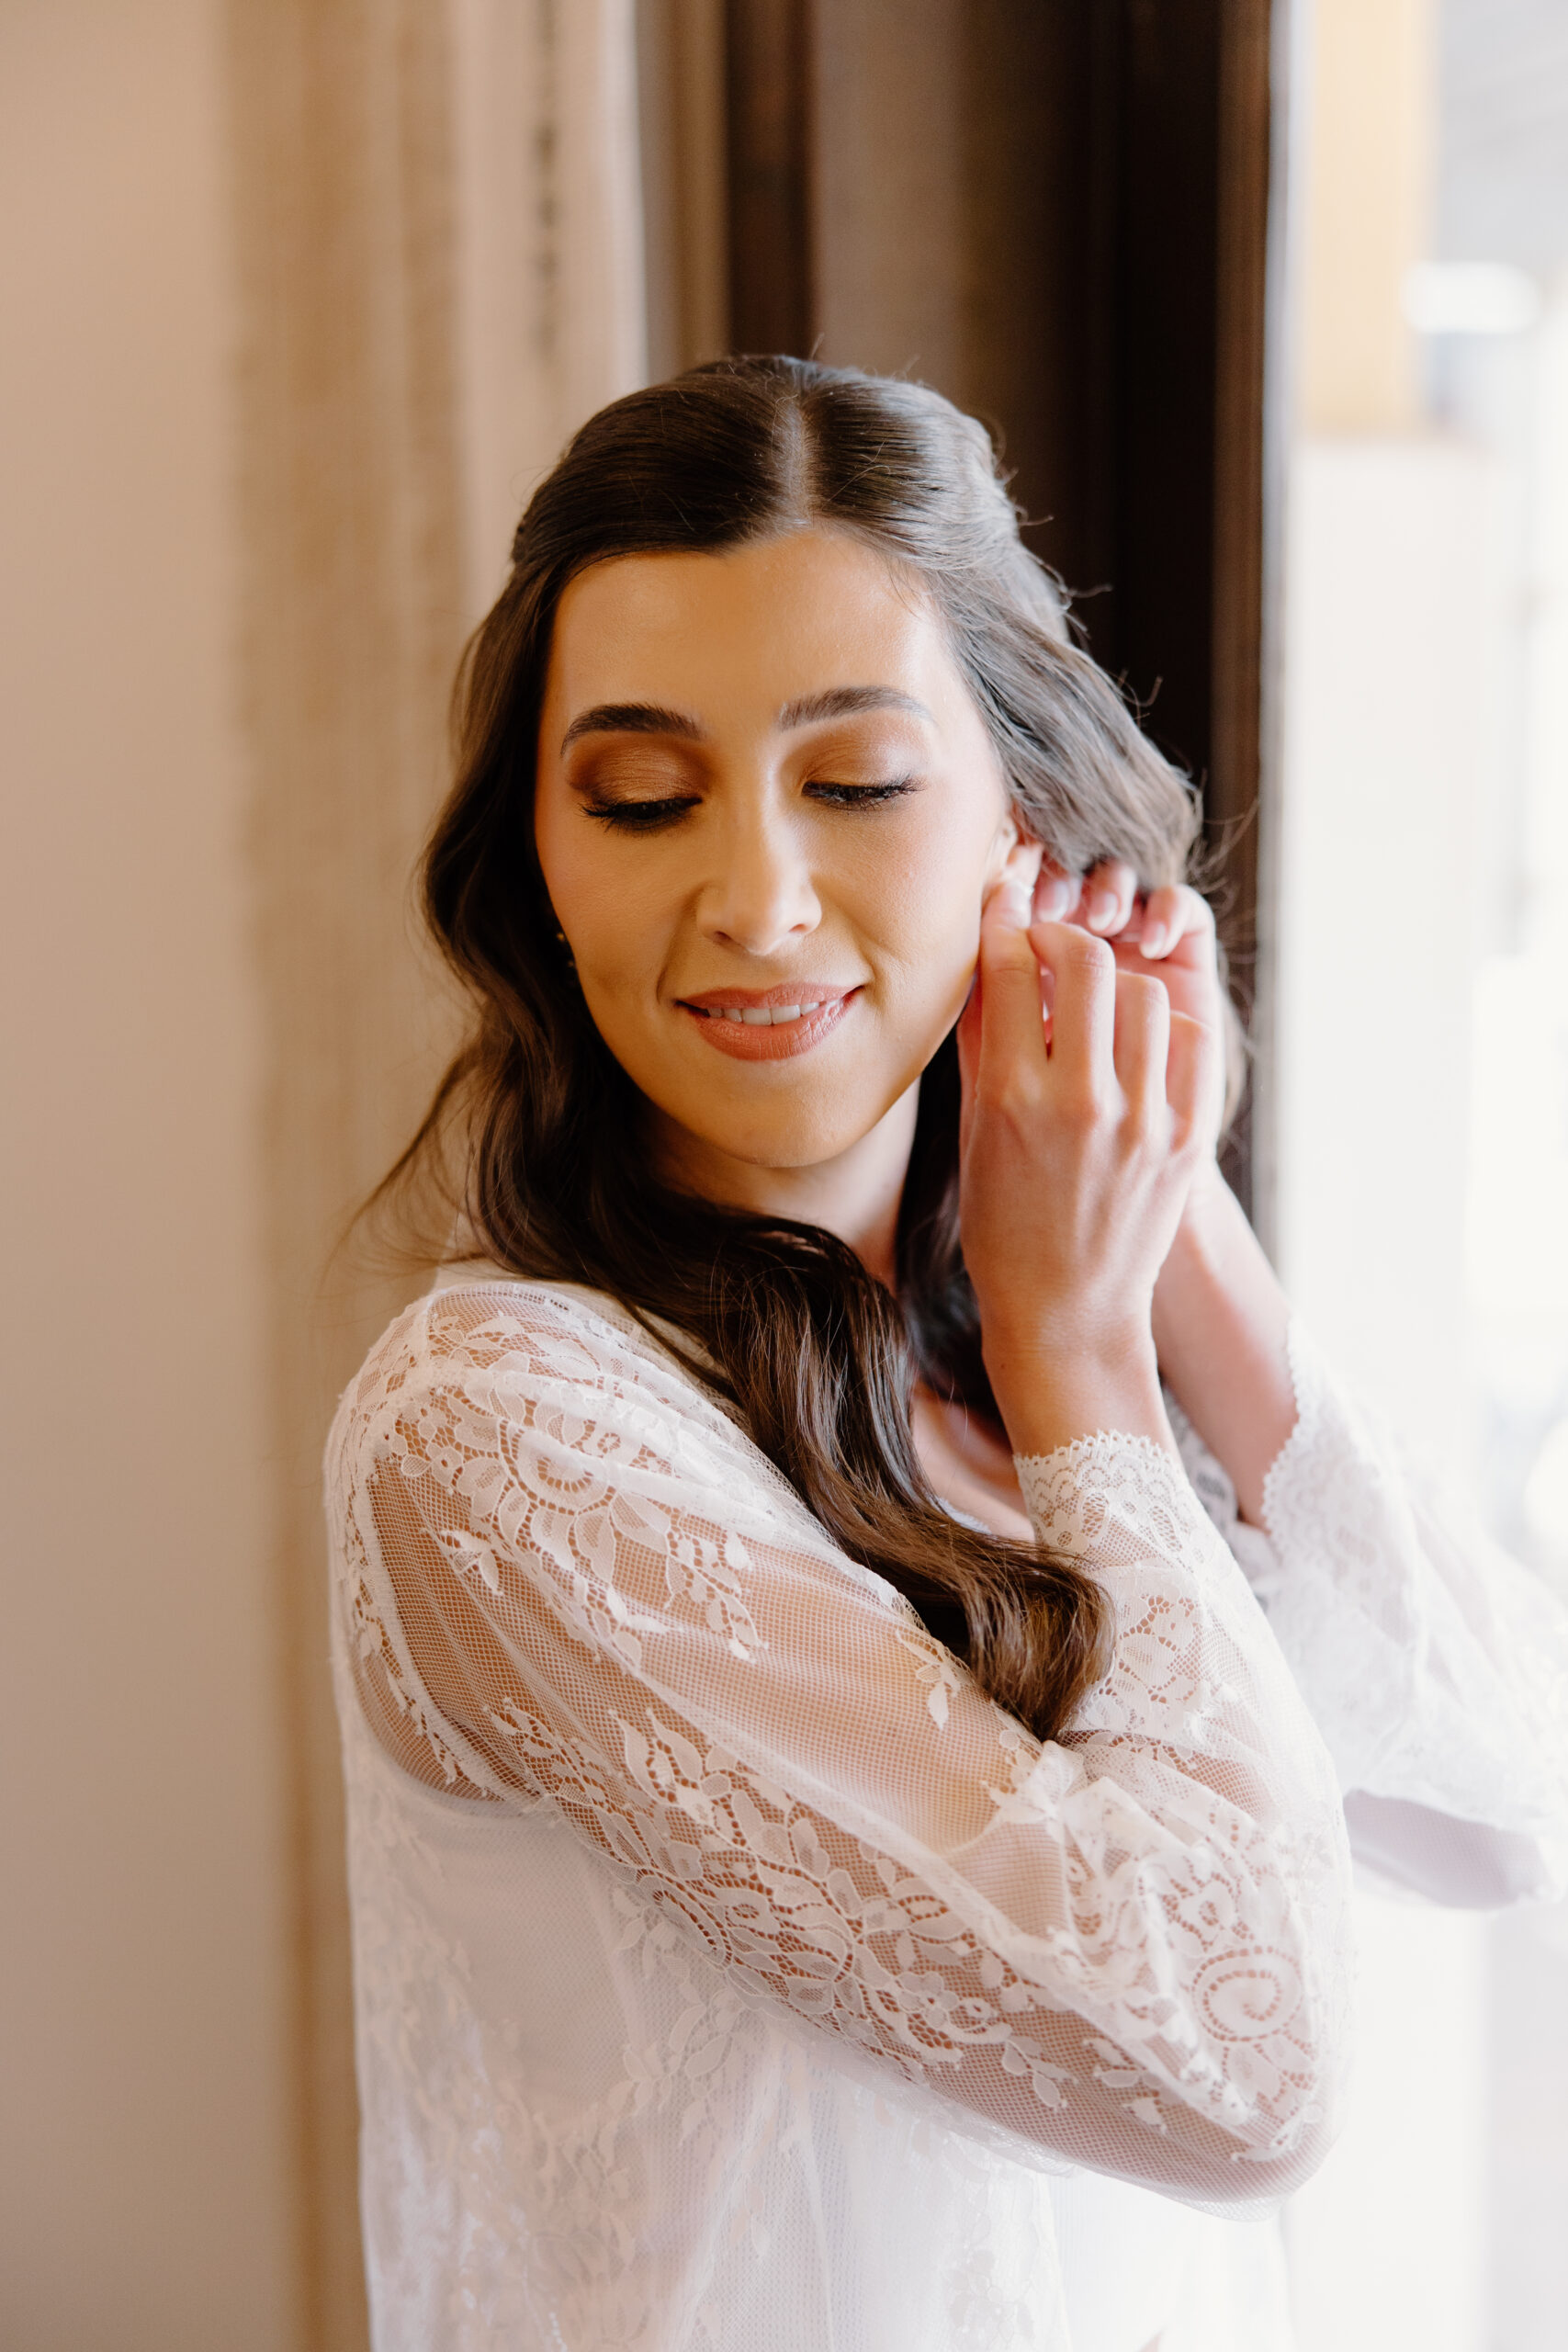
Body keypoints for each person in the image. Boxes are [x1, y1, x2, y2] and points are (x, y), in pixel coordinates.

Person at [326, 357, 1568, 2352]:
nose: (749, 898)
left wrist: (1171, 1228)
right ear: (537, 866)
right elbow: (1229, 2068)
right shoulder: (503, 1429)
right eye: (639, 795)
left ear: (1026, 827)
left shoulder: (1016, 1350)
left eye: (855, 782)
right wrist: (1083, 1346)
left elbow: (1510, 1792)